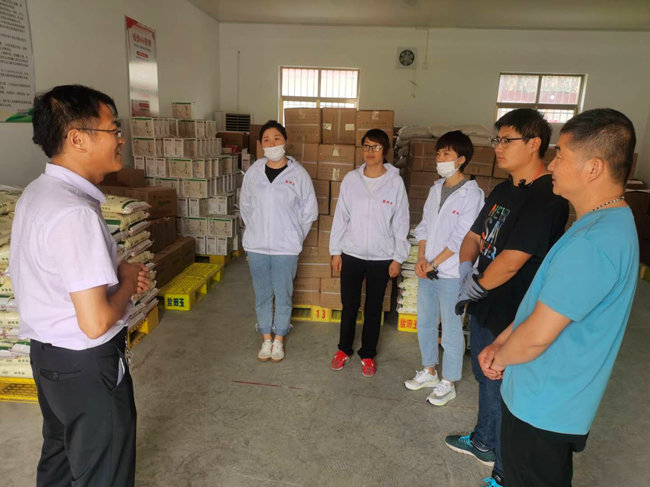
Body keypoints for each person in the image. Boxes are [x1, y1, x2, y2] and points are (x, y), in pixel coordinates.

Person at [479, 108, 639, 487]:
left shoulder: (594, 242)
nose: (551, 165)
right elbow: (545, 304)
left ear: (593, 168)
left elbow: (537, 336)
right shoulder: (603, 222)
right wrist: (502, 340)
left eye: (561, 156)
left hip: (544, 407)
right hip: (547, 398)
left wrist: (500, 356)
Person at [10, 85, 151, 487]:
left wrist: (111, 271)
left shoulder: (38, 193)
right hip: (87, 365)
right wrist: (127, 281)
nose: (120, 139)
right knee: (103, 472)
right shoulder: (74, 213)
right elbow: (95, 322)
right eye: (113, 129)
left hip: (50, 358)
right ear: (77, 138)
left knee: (60, 459)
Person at [444, 109, 569, 487]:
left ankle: (503, 470)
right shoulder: (503, 190)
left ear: (534, 144)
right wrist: (466, 270)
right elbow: (473, 236)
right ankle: (484, 441)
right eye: (496, 140)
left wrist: (477, 284)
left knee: (505, 390)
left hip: (515, 313)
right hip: (485, 305)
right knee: (485, 379)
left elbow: (514, 260)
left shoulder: (547, 197)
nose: (498, 147)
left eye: (506, 140)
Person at [404, 131, 484, 405]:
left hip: (451, 274)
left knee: (451, 329)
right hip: (427, 268)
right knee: (425, 323)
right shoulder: (435, 188)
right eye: (438, 153)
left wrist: (433, 263)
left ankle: (448, 381)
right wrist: (421, 257)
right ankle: (429, 371)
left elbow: (462, 237)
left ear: (461, 159)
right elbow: (425, 225)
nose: (440, 158)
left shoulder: (472, 195)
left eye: (446, 154)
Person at [329, 129, 410, 377]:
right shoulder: (351, 179)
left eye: (376, 147)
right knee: (349, 305)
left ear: (385, 151)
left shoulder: (395, 183)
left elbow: (401, 222)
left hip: (381, 256)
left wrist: (398, 257)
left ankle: (367, 354)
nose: (370, 151)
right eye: (366, 146)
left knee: (374, 307)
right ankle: (343, 349)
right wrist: (336, 251)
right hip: (351, 252)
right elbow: (341, 217)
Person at [239, 120, 318, 362]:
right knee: (262, 293)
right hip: (257, 246)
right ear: (261, 144)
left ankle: (279, 338)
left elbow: (309, 211)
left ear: (285, 142)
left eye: (276, 138)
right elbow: (246, 206)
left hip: (286, 248)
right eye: (266, 140)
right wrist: (256, 229)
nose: (272, 144)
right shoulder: (253, 173)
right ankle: (266, 338)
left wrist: (294, 236)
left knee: (283, 293)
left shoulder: (299, 174)